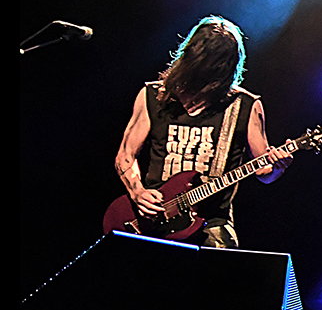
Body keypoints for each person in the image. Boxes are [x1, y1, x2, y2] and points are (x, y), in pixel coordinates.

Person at [114, 16, 290, 248]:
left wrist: (277, 167)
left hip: (211, 223)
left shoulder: (244, 106)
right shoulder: (153, 96)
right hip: (153, 218)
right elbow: (126, 155)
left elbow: (264, 171)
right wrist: (137, 191)